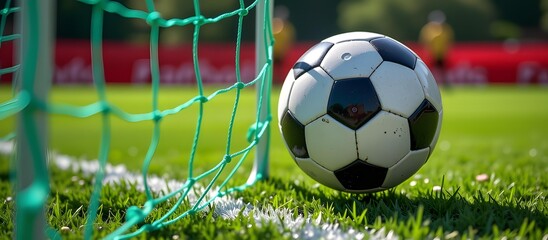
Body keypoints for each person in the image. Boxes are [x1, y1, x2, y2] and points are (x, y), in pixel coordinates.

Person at [419, 10, 454, 87]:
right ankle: (428, 84)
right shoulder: (428, 29)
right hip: (431, 53)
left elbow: (448, 41)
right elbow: (425, 40)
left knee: (442, 70)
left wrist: (446, 51)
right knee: (428, 70)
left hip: (441, 53)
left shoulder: (445, 29)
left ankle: (445, 84)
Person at [272, 5, 296, 83]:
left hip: (281, 52)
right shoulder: (274, 24)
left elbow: (290, 39)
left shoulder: (288, 27)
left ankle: (277, 81)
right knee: (271, 68)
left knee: (279, 68)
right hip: (273, 51)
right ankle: (272, 81)